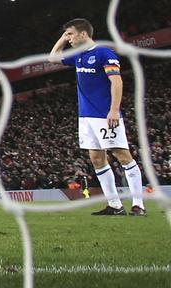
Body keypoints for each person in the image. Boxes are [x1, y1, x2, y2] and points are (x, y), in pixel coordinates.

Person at [48, 18, 146, 216]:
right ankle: (115, 205)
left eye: (71, 34)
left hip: (104, 114)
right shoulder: (77, 55)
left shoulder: (104, 53)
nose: (69, 39)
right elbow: (52, 58)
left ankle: (138, 204)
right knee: (96, 159)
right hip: (86, 117)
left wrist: (114, 109)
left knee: (122, 155)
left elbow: (116, 82)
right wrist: (62, 38)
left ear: (83, 34)